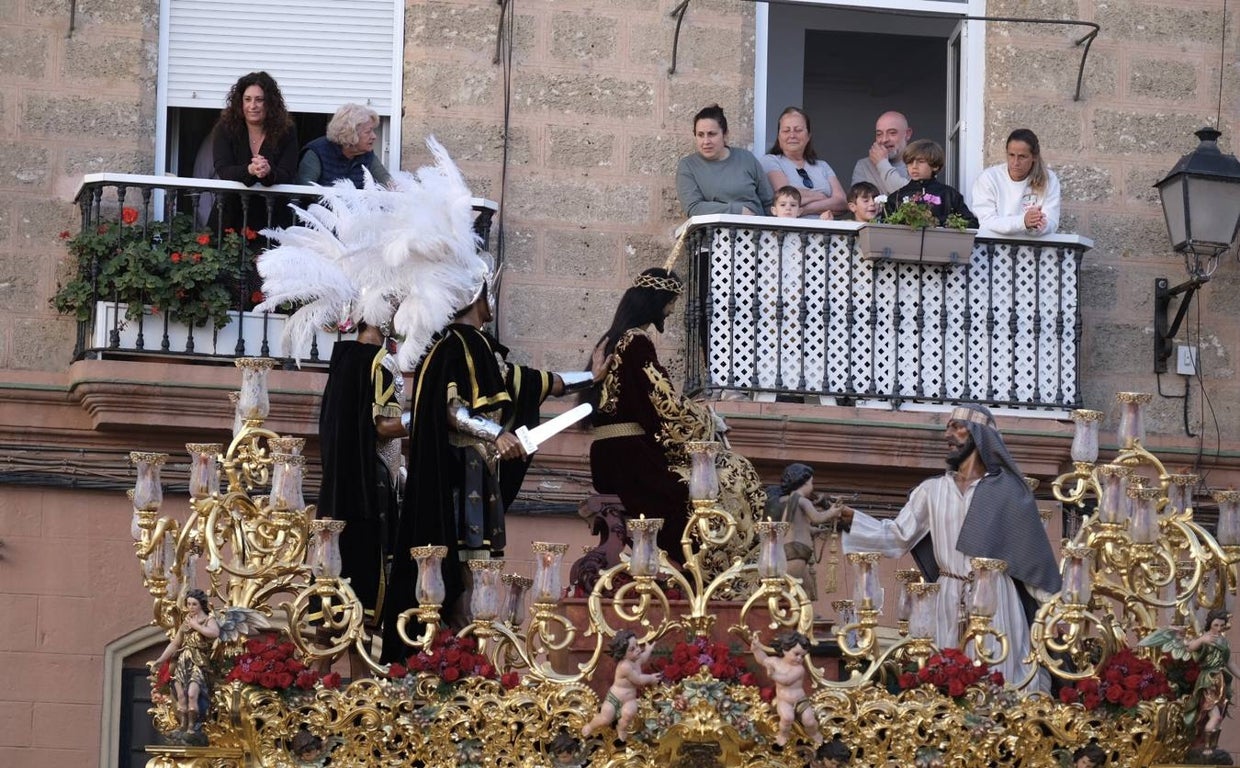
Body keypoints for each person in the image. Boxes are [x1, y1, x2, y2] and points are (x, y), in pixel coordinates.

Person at [380, 285, 610, 660]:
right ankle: (458, 660)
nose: (495, 302)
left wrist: (590, 378)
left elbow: (534, 381)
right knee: (462, 572)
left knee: (480, 569)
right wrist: (497, 433)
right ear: (477, 296)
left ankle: (469, 660)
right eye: (491, 292)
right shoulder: (454, 345)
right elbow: (452, 409)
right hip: (457, 477)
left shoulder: (482, 348)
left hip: (479, 474)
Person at [836, 404, 1062, 690]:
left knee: (999, 680)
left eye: (956, 427)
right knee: (944, 681)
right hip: (946, 597)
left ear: (981, 436)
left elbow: (1031, 558)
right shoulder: (932, 490)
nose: (948, 434)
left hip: (996, 601)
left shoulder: (1007, 492)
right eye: (947, 428)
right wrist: (851, 518)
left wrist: (1057, 611)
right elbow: (896, 536)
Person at [585, 267, 765, 563]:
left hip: (609, 455)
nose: (670, 311)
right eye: (670, 303)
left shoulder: (612, 339)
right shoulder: (637, 343)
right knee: (733, 470)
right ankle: (721, 563)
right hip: (632, 460)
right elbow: (666, 403)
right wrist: (708, 418)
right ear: (656, 302)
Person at [317, 320, 406, 632]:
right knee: (364, 600)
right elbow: (384, 424)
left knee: (332, 602)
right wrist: (429, 416)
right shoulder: (380, 362)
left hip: (339, 490)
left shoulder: (343, 360)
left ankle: (320, 675)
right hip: (370, 488)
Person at [209, 71, 299, 231]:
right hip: (231, 216)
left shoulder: (286, 131)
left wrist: (269, 172)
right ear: (240, 102)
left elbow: (288, 172)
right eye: (247, 99)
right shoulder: (225, 128)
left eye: (259, 100)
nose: (253, 106)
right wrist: (249, 170)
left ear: (270, 103)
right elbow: (223, 169)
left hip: (273, 219)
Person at [676, 104, 773, 217]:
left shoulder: (746, 158)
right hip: (713, 233)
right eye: (700, 135)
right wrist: (738, 211)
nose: (706, 141)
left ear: (725, 135)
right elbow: (693, 208)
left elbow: (769, 202)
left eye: (712, 134)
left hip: (756, 231)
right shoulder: (688, 166)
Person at [151, 589, 220, 744]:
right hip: (183, 661)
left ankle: (193, 727)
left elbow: (214, 633)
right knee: (181, 697)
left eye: (194, 604)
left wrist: (197, 626)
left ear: (201, 604)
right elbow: (175, 643)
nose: (191, 607)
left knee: (192, 694)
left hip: (198, 662)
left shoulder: (208, 620)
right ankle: (182, 726)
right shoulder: (186, 621)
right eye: (188, 604)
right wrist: (161, 660)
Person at [971, 128, 1061, 236]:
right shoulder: (988, 178)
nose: (1015, 162)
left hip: (1035, 248)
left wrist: (1037, 224)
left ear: (1034, 157)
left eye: (1022, 156)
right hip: (994, 248)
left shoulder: (1049, 179)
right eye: (1011, 155)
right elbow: (986, 222)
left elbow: (1052, 222)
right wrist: (1023, 221)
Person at [762, 107, 847, 219]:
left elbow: (842, 202)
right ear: (779, 136)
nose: (792, 135)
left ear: (808, 136)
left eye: (798, 130)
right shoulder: (770, 161)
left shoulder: (823, 166)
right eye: (786, 130)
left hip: (824, 233)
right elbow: (786, 196)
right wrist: (823, 197)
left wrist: (803, 210)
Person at [774, 463, 839, 601]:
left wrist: (814, 531)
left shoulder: (785, 500)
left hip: (792, 549)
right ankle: (796, 616)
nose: (812, 486)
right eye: (811, 483)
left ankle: (808, 616)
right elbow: (818, 518)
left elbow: (794, 524)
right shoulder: (803, 501)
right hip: (797, 551)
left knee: (806, 589)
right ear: (803, 483)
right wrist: (833, 511)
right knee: (793, 590)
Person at [581, 630, 661, 742]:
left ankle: (621, 728)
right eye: (632, 649)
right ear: (623, 654)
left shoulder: (636, 659)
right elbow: (638, 680)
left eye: (637, 645)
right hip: (614, 698)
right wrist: (651, 678)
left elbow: (644, 657)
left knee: (629, 714)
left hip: (629, 699)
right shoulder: (625, 666)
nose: (638, 649)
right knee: (605, 719)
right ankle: (590, 725)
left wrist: (648, 650)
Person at [749, 631, 823, 747]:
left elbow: (787, 680)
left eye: (803, 656)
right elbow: (763, 660)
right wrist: (756, 649)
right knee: (787, 718)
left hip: (800, 700)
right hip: (784, 700)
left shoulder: (799, 669)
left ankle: (814, 733)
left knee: (809, 721)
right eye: (796, 654)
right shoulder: (775, 662)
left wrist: (773, 675)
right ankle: (783, 735)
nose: (799, 658)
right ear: (784, 649)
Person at [883, 140, 979, 228]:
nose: (914, 166)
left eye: (921, 162)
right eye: (910, 162)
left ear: (935, 166)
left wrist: (938, 221)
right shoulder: (896, 197)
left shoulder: (949, 194)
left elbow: (971, 223)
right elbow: (884, 228)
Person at [298, 103, 394, 188]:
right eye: (368, 132)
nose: (374, 136)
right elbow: (304, 193)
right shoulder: (316, 153)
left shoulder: (367, 154)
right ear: (350, 133)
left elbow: (389, 184)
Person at [851, 111, 912, 195]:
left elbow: (911, 197)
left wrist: (882, 164)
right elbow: (858, 202)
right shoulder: (864, 165)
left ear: (907, 134)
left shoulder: (919, 164)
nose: (884, 139)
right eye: (879, 134)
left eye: (892, 133)